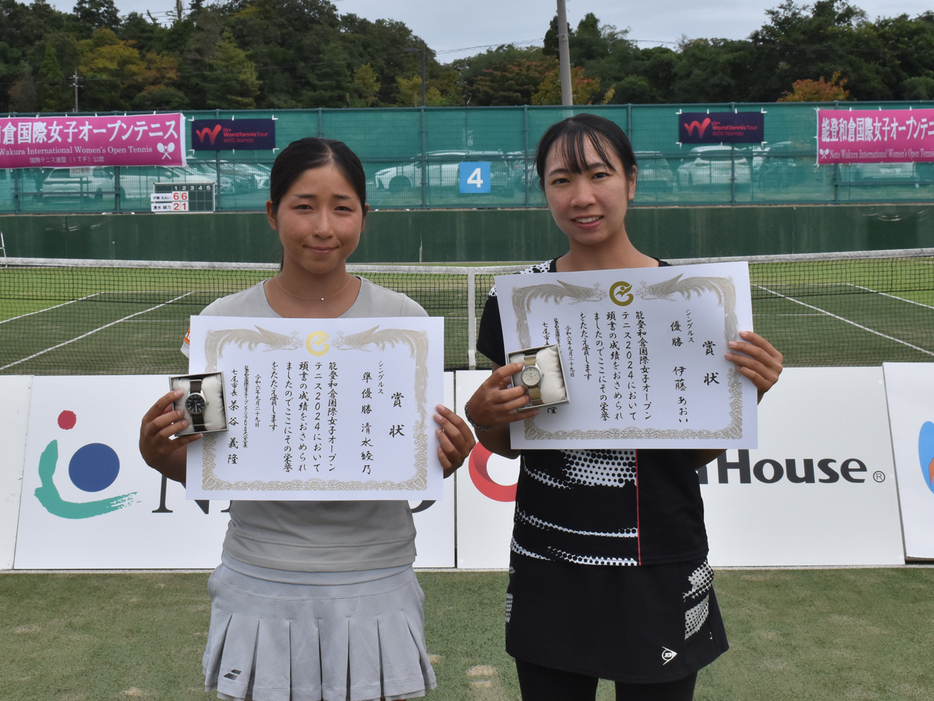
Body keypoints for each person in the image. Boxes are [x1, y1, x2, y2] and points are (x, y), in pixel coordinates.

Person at [139, 137, 475, 701]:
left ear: (364, 217)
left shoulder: (404, 322)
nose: (324, 226)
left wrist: (446, 458)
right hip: (259, 576)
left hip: (378, 578)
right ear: (272, 214)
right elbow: (202, 455)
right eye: (303, 205)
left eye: (342, 207)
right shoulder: (223, 326)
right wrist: (160, 453)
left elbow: (417, 462)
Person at [464, 113, 784, 701]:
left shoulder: (693, 299)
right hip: (551, 552)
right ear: (545, 191)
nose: (582, 196)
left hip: (660, 549)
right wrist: (485, 418)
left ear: (631, 181)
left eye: (599, 174)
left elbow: (691, 454)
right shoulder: (518, 299)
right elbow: (512, 444)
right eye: (561, 180)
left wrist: (749, 395)